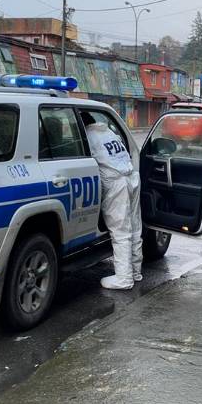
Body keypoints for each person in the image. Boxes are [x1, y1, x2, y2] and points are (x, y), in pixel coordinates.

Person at [81, 112, 143, 290]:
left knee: (121, 231)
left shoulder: (88, 136)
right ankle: (135, 271)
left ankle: (124, 278)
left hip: (116, 183)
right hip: (131, 178)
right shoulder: (108, 133)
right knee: (134, 227)